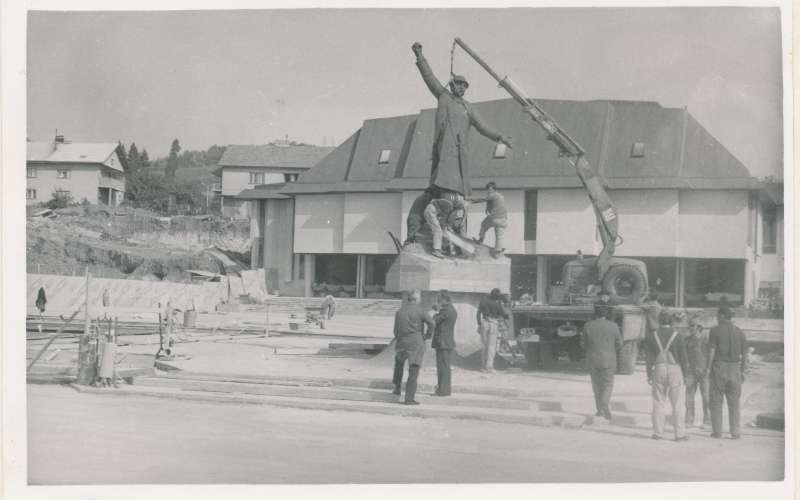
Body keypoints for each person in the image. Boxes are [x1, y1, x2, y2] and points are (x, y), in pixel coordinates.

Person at [412, 42, 512, 200]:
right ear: (452, 85)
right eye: (459, 85)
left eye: (464, 86)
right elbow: (429, 78)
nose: (462, 88)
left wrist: (500, 137)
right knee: (440, 184)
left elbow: (483, 126)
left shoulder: (469, 108)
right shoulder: (443, 96)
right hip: (443, 149)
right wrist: (420, 56)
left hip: (458, 153)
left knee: (453, 187)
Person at [644, 311, 689, 441]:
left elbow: (648, 358)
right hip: (675, 369)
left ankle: (658, 433)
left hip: (658, 368)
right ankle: (679, 434)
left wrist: (648, 373)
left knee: (658, 401)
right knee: (677, 403)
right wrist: (685, 374)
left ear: (659, 321)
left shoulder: (652, 336)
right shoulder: (678, 336)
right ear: (671, 322)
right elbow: (684, 357)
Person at [706, 307, 748, 439]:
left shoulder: (715, 330)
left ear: (723, 316)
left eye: (718, 316)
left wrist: (708, 368)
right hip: (735, 367)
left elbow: (711, 350)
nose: (717, 318)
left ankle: (717, 431)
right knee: (734, 402)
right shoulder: (740, 332)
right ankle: (735, 432)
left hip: (719, 366)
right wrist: (743, 370)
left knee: (716, 400)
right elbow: (745, 354)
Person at [392, 289, 436, 405]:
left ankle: (397, 388)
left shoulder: (399, 311)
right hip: (416, 342)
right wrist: (427, 336)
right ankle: (409, 398)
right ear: (416, 299)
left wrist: (399, 338)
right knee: (413, 369)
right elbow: (432, 323)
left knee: (399, 364)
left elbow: (395, 330)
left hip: (402, 341)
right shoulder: (420, 311)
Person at [582, 303, 623, 421]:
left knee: (596, 385)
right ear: (606, 314)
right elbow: (619, 343)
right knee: (608, 384)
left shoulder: (587, 326)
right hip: (609, 360)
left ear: (595, 313)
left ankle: (599, 410)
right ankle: (605, 403)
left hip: (592, 360)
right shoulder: (614, 326)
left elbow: (583, 344)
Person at [469, 182, 507, 258]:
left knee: (483, 224)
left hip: (495, 218)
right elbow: (492, 203)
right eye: (488, 190)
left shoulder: (493, 195)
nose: (488, 191)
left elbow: (482, 199)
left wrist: (469, 200)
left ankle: (480, 240)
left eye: (490, 189)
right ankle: (497, 252)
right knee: (499, 236)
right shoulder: (500, 196)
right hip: (503, 219)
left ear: (494, 189)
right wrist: (487, 208)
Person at [685, 318, 711, 428]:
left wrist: (709, 368)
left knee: (706, 396)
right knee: (689, 396)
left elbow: (711, 354)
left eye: (692, 326)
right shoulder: (687, 340)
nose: (690, 328)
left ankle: (707, 420)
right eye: (689, 326)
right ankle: (689, 420)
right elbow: (684, 356)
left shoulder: (707, 339)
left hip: (704, 371)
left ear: (699, 327)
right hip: (691, 371)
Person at [476, 288, 509, 373]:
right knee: (492, 346)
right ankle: (489, 367)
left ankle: (483, 367)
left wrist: (479, 324)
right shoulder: (498, 304)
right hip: (493, 323)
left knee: (484, 345)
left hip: (484, 323)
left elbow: (478, 314)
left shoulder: (483, 301)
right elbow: (504, 315)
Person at [432, 293, 458, 396]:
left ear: (445, 300)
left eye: (439, 300)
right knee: (445, 367)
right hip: (447, 341)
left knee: (442, 367)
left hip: (442, 342)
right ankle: (444, 390)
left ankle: (442, 390)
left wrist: (436, 312)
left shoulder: (445, 310)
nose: (438, 302)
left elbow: (434, 321)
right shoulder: (452, 309)